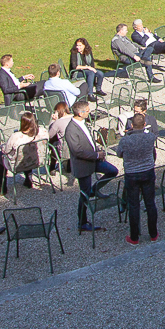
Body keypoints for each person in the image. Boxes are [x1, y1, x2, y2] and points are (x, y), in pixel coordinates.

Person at [64, 99, 118, 234]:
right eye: (88, 111)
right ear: (81, 113)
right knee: (84, 195)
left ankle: (94, 190)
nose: (89, 113)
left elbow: (89, 141)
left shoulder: (83, 123)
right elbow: (77, 151)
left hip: (94, 159)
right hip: (83, 165)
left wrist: (98, 151)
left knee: (112, 171)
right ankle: (82, 222)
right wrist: (96, 155)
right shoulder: (71, 129)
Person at [117, 113, 160, 244]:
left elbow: (119, 154)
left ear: (131, 125)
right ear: (144, 125)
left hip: (132, 174)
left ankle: (134, 237)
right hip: (147, 172)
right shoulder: (150, 137)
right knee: (150, 203)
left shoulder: (125, 140)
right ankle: (153, 234)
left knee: (134, 205)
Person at [3, 113, 50, 188]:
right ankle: (28, 179)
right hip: (39, 160)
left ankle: (2, 187)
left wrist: (2, 148)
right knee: (28, 154)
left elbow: (6, 151)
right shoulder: (43, 131)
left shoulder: (16, 136)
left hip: (19, 165)